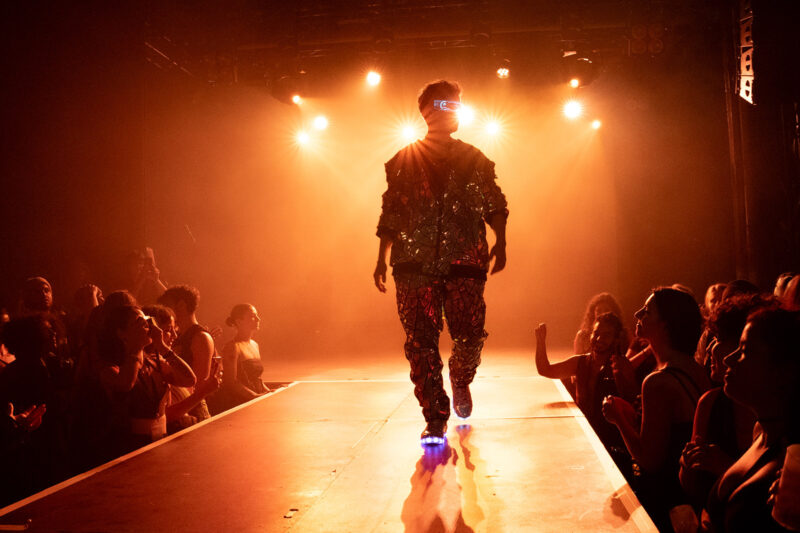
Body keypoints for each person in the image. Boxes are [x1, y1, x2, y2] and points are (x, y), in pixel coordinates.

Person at [373, 80, 508, 443]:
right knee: (420, 342)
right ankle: (435, 415)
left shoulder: (474, 159)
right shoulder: (404, 160)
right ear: (427, 110)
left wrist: (501, 241)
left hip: (465, 260)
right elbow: (392, 209)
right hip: (413, 264)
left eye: (457, 105)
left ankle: (460, 378)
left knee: (469, 334)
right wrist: (381, 257)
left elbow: (494, 201)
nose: (453, 111)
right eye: (446, 104)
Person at [603, 287, 711, 532]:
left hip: (666, 500)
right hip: (691, 498)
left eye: (647, 311)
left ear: (665, 324)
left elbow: (649, 460)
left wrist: (617, 418)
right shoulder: (695, 367)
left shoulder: (658, 381)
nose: (637, 313)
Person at [702, 307, 800, 532]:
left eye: (745, 350)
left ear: (784, 372)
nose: (728, 359)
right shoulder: (761, 431)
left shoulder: (794, 458)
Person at [535, 312, 633, 476]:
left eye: (606, 335)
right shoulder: (580, 362)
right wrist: (540, 341)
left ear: (616, 339)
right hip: (585, 441)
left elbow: (633, 406)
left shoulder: (622, 366)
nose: (599, 338)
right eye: (596, 333)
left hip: (614, 448)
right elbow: (546, 370)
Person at [98, 305, 195, 453]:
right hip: (130, 447)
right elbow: (125, 384)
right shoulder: (110, 368)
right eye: (139, 322)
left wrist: (162, 346)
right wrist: (135, 348)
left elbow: (189, 379)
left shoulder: (154, 362)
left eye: (146, 320)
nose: (146, 325)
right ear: (121, 333)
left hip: (161, 440)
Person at [157, 286, 215, 422]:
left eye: (167, 305)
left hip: (193, 412)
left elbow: (199, 384)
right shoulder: (176, 336)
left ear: (181, 305)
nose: (164, 310)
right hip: (177, 410)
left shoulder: (200, 337)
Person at [215, 304, 269, 412]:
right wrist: (254, 397)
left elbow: (256, 378)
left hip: (256, 401)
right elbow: (231, 382)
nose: (258, 319)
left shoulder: (255, 345)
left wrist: (270, 391)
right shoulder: (232, 347)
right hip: (240, 404)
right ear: (239, 321)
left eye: (257, 315)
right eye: (253, 317)